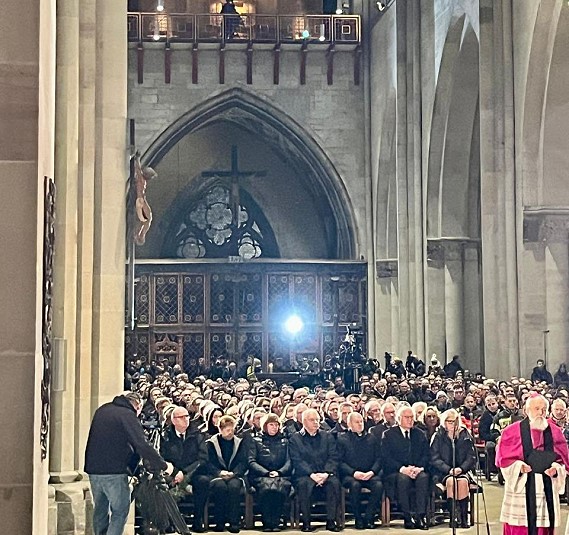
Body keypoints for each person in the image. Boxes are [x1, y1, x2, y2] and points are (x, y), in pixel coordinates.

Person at [84, 391, 174, 535]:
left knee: (100, 510)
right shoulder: (127, 415)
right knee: (120, 511)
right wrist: (163, 465)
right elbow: (141, 444)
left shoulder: (103, 410)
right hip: (114, 471)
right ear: (137, 405)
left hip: (94, 470)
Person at [496, 394, 569, 535]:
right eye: (537, 409)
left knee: (544, 527)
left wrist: (556, 469)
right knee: (520, 528)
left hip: (545, 486)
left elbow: (563, 461)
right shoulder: (511, 431)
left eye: (544, 409)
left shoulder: (555, 432)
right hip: (522, 486)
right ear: (526, 410)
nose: (541, 413)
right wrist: (518, 467)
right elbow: (503, 460)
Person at [289, 408, 342, 532]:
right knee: (303, 485)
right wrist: (311, 474)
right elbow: (297, 460)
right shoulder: (295, 439)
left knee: (334, 484)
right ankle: (306, 522)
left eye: (317, 420)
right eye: (312, 420)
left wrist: (326, 473)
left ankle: (331, 521)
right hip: (306, 474)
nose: (316, 423)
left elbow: (333, 457)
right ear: (304, 421)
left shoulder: (327, 436)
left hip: (325, 473)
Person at [160, 405, 210, 532]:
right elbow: (162, 457)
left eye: (187, 416)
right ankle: (170, 522)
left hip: (194, 472)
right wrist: (176, 472)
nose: (186, 419)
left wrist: (186, 473)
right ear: (174, 420)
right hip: (173, 473)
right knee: (163, 484)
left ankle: (197, 520)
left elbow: (202, 458)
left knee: (203, 482)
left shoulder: (198, 434)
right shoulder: (165, 435)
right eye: (181, 417)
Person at [381, 406, 430, 530]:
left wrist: (419, 468)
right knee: (403, 479)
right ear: (399, 419)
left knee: (423, 478)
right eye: (406, 417)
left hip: (417, 470)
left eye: (412, 417)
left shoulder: (420, 434)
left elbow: (426, 455)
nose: (410, 420)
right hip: (397, 471)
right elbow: (386, 458)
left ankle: (420, 516)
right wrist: (403, 469)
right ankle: (407, 517)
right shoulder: (388, 434)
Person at [430, 408, 477, 528]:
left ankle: (463, 517)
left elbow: (471, 457)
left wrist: (461, 468)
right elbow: (434, 458)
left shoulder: (465, 435)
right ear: (444, 422)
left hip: (463, 471)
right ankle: (453, 516)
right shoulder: (438, 436)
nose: (452, 424)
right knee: (451, 481)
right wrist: (449, 470)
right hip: (444, 472)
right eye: (449, 421)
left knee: (462, 482)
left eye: (454, 421)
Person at [337, 412, 384, 529]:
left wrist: (372, 472)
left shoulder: (371, 438)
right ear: (349, 424)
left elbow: (379, 458)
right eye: (356, 422)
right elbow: (339, 462)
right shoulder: (342, 439)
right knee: (355, 486)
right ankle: (358, 518)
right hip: (351, 475)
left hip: (369, 474)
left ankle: (369, 517)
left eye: (361, 422)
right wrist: (354, 473)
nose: (360, 424)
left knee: (378, 485)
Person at [248, 413, 292, 531]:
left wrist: (279, 472)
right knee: (268, 489)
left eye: (276, 425)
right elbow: (252, 461)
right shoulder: (255, 441)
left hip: (281, 475)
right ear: (265, 426)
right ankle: (267, 522)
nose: (274, 427)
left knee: (279, 487)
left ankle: (276, 521)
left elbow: (289, 461)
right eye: (271, 424)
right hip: (261, 476)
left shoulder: (285, 441)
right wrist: (266, 472)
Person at [205, 415, 249, 533]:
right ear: (220, 429)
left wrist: (234, 473)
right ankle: (219, 521)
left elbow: (243, 462)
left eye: (232, 429)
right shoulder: (211, 443)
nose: (230, 433)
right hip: (217, 476)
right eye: (227, 430)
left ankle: (234, 522)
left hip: (235, 475)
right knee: (221, 487)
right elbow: (208, 462)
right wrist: (219, 472)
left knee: (234, 487)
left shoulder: (239, 443)